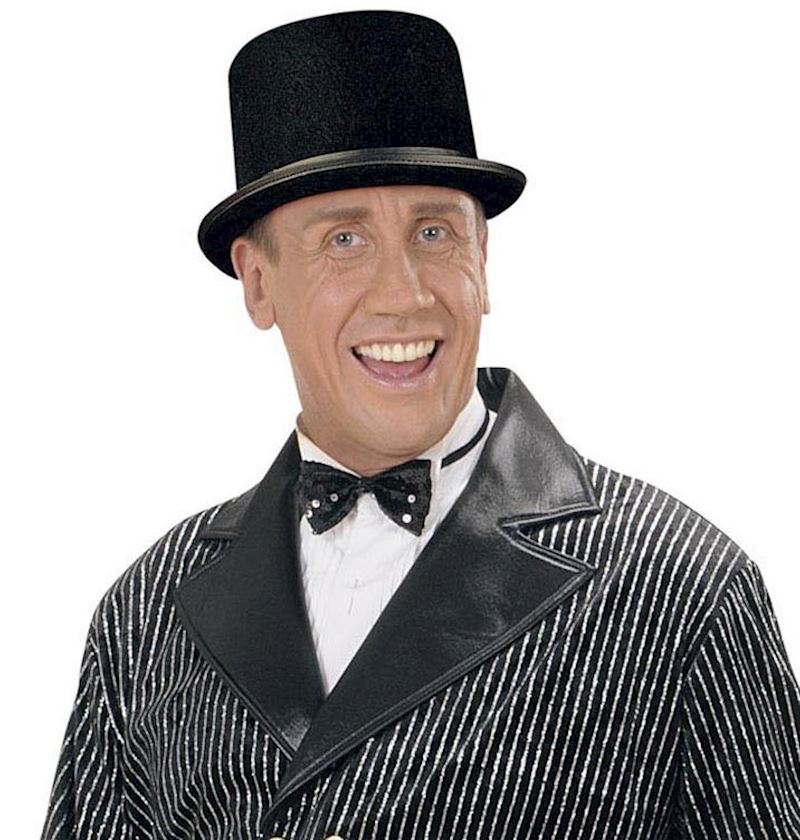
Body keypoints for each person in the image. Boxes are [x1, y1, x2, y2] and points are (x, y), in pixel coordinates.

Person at [41, 10, 800, 839]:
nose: (402, 293)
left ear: (483, 261)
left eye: (433, 232)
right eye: (343, 239)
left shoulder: (682, 590)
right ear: (257, 283)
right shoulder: (145, 613)